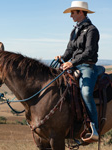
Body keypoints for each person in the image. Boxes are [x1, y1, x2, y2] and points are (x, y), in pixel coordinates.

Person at [55, 1, 99, 140]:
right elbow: (69, 50)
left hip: (87, 66)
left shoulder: (92, 30)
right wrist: (62, 58)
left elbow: (89, 51)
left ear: (81, 12)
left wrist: (71, 62)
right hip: (73, 66)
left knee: (86, 93)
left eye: (73, 13)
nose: (71, 16)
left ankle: (94, 129)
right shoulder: (74, 31)